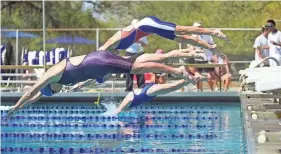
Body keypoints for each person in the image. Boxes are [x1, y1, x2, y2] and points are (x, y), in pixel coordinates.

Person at [6, 49, 202, 118]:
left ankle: (178, 71)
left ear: (50, 87)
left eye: (52, 92)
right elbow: (36, 98)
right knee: (136, 62)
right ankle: (177, 66)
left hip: (97, 60)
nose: (56, 92)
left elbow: (31, 92)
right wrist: (20, 109)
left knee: (137, 67)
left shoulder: (51, 75)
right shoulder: (60, 84)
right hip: (99, 68)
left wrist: (15, 106)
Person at [99, 16, 228, 53]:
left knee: (181, 30)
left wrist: (100, 50)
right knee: (181, 39)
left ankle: (213, 31)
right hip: (149, 30)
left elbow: (106, 45)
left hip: (146, 24)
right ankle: (209, 47)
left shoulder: (112, 43)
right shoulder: (117, 50)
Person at [115, 79, 194, 114]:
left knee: (172, 86)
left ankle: (190, 78)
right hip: (148, 92)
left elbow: (120, 109)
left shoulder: (124, 105)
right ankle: (190, 79)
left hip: (148, 92)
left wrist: (121, 125)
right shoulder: (127, 107)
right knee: (172, 87)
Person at [125, 19, 148, 92]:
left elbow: (146, 45)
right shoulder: (128, 33)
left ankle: (141, 87)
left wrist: (140, 41)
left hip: (139, 53)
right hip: (130, 53)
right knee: (129, 70)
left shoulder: (142, 33)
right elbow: (124, 44)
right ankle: (129, 88)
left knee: (140, 69)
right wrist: (133, 40)